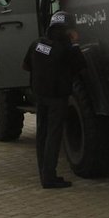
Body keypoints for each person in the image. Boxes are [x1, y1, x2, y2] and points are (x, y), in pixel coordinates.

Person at [23, 10, 86, 189]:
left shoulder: (37, 44)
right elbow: (82, 68)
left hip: (40, 96)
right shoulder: (66, 49)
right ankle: (49, 176)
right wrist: (74, 44)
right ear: (68, 30)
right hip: (57, 98)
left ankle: (43, 172)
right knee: (54, 135)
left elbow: (25, 66)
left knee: (42, 134)